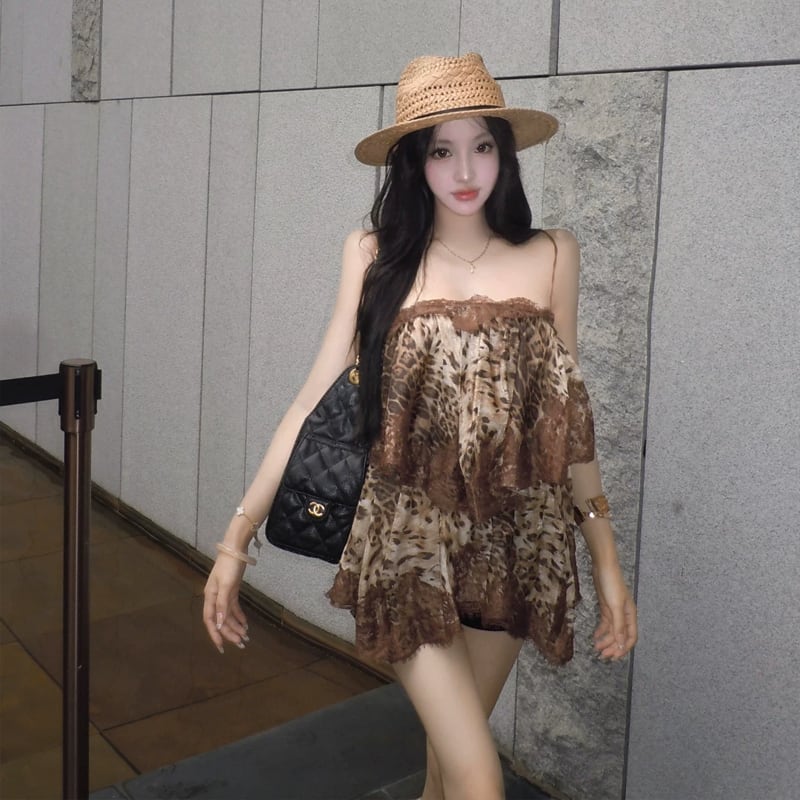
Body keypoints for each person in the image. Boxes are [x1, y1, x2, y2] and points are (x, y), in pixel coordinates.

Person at [203, 53, 637, 800]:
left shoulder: (552, 254)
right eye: (441, 150)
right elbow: (310, 403)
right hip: (407, 541)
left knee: (446, 776)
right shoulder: (375, 255)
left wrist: (606, 562)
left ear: (504, 152)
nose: (465, 170)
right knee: (479, 778)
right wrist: (237, 537)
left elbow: (566, 421)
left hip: (515, 543)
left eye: (482, 145)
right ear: (414, 162)